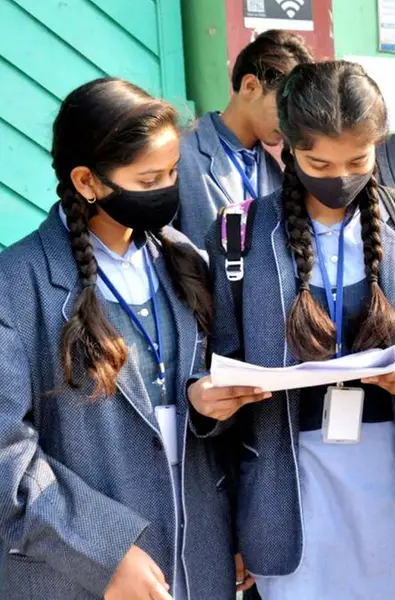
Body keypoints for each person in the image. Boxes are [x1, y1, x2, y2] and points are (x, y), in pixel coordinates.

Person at [193, 60, 395, 599]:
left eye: (358, 161)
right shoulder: (239, 235)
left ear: (379, 147)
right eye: (318, 162)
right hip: (290, 490)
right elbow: (217, 358)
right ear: (288, 146)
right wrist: (213, 397)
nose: (339, 177)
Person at [0, 77, 243, 599]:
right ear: (87, 181)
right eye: (149, 178)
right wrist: (103, 553)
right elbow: (5, 459)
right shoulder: (16, 285)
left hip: (201, 558)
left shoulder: (187, 261)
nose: (167, 190)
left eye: (173, 173)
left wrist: (206, 409)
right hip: (78, 577)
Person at [177, 30, 313, 246]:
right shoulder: (181, 153)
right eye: (286, 109)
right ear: (250, 86)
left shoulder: (274, 170)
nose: (291, 122)